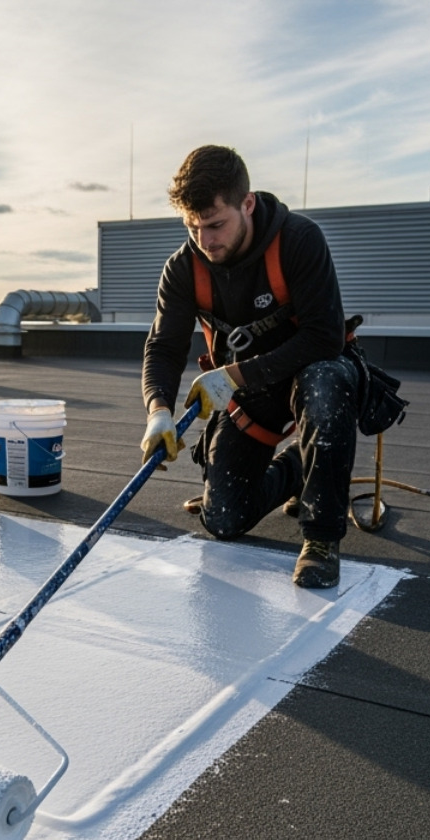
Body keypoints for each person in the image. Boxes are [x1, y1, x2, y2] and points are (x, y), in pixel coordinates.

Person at [140, 144, 358, 588]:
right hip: (247, 396)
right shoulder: (184, 269)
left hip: (309, 373)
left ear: (248, 203)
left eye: (216, 224)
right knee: (223, 519)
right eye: (193, 227)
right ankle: (300, 468)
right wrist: (158, 411)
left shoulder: (298, 241)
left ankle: (320, 538)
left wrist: (233, 376)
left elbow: (324, 337)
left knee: (326, 381)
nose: (206, 240)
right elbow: (163, 348)